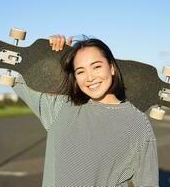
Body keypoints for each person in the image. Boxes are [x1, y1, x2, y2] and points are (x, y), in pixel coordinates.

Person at [12, 34, 158, 187]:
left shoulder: (137, 123)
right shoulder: (61, 107)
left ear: (112, 68)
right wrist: (52, 57)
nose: (89, 77)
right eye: (80, 71)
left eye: (96, 67)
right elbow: (20, 78)